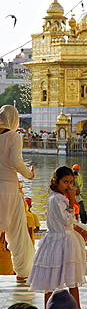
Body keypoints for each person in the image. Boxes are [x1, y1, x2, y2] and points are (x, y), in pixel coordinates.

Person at [27, 166, 87, 309]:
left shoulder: (57, 198)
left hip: (62, 239)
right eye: (65, 182)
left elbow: (67, 222)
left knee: (72, 276)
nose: (69, 186)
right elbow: (66, 220)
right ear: (55, 181)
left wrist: (81, 230)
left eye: (71, 183)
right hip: (60, 241)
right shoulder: (57, 200)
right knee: (52, 279)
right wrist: (72, 201)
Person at [0, 104, 35, 282]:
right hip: (8, 188)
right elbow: (16, 162)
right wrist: (29, 174)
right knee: (16, 232)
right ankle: (22, 273)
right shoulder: (13, 137)